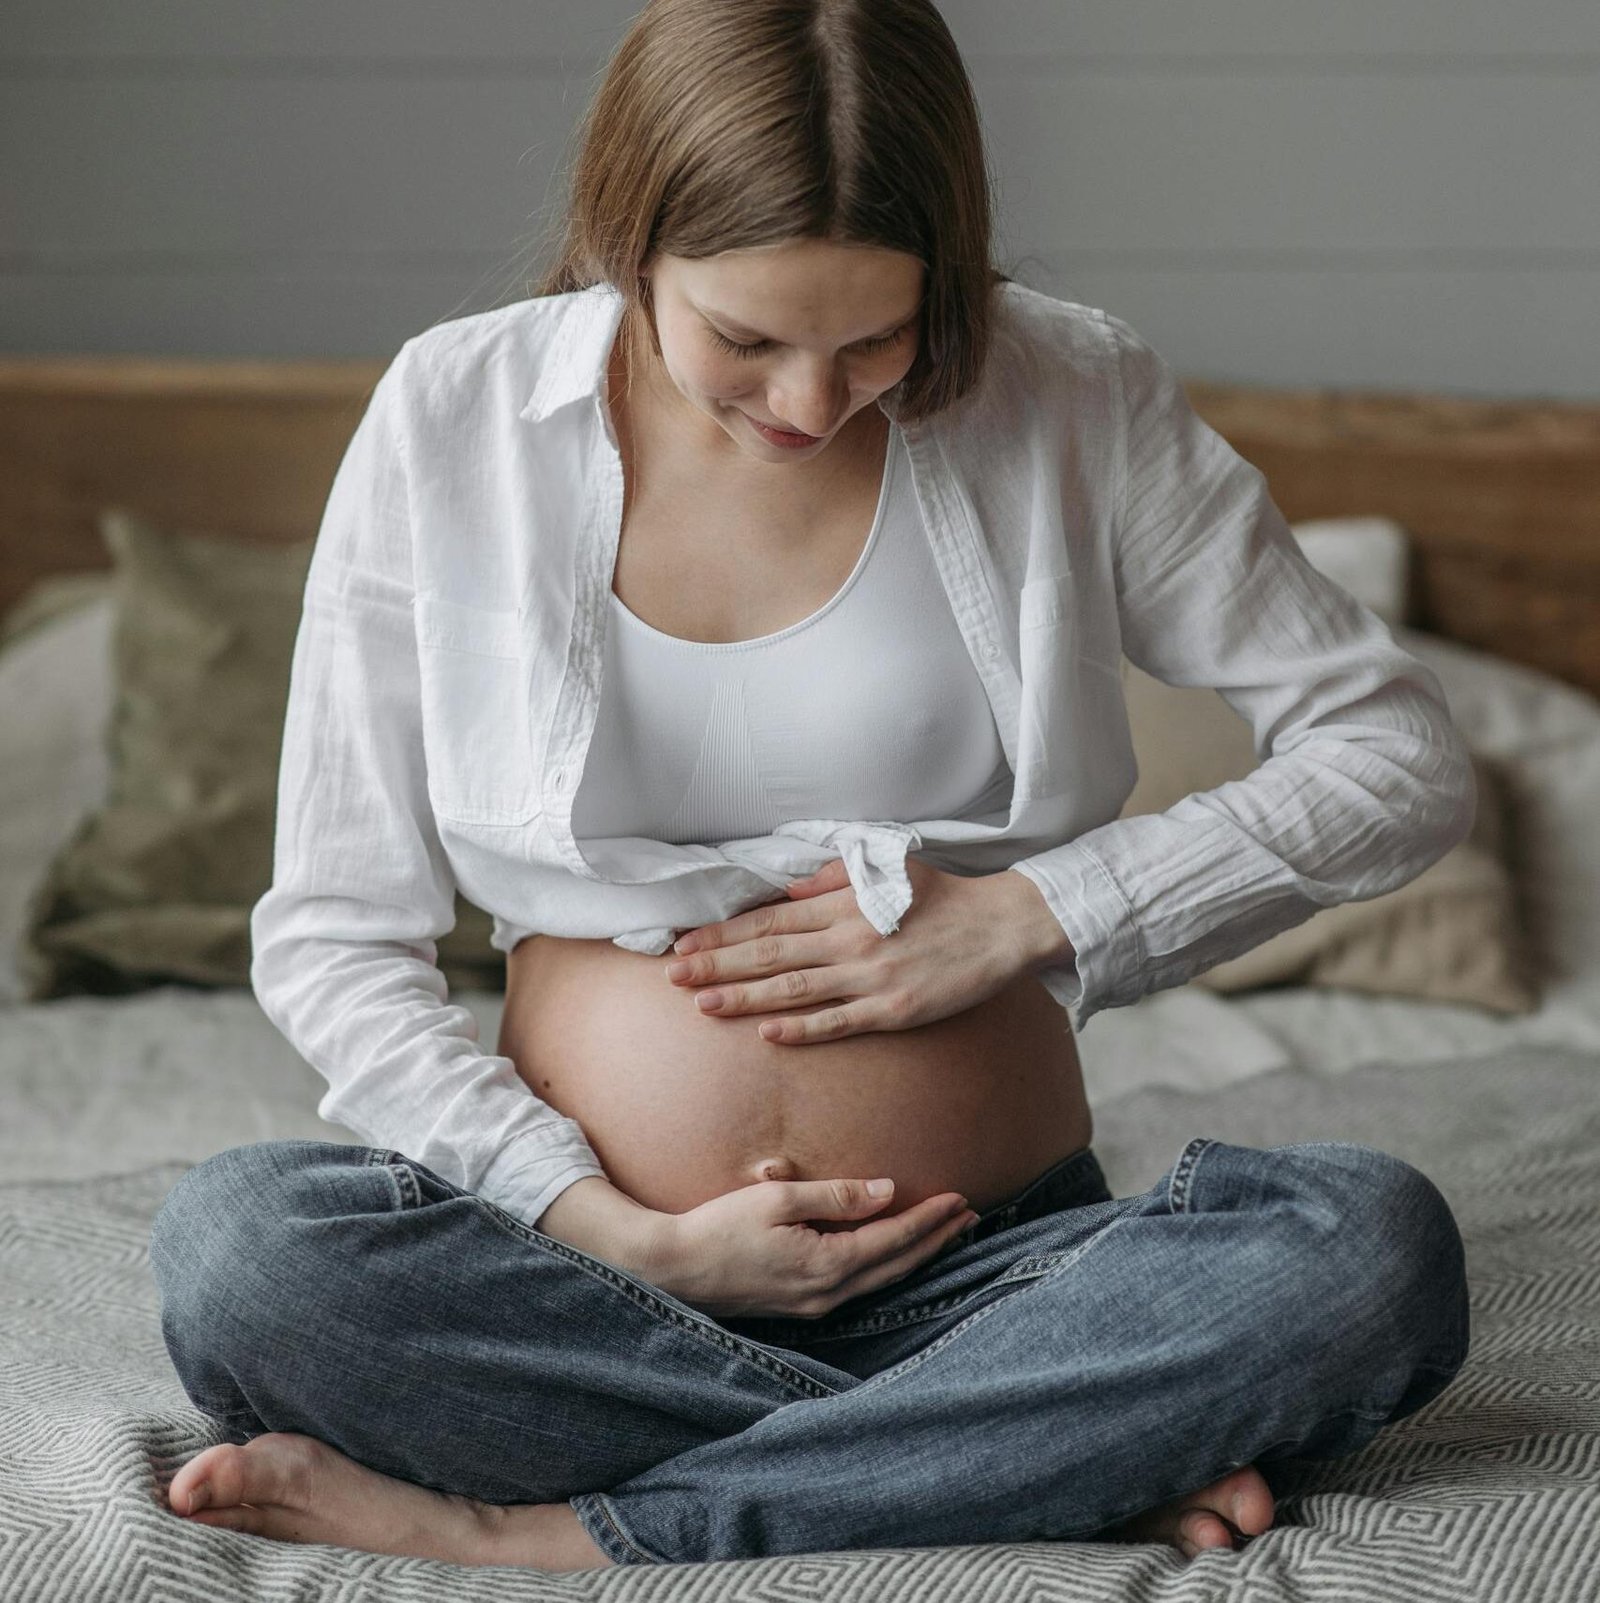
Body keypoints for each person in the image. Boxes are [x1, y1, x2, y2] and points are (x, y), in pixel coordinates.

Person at [147, 0, 1476, 1573]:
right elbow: (332, 935)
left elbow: (1395, 755)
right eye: (745, 340)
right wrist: (610, 1229)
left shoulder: (1073, 394)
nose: (804, 403)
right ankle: (1022, 1452)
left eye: (873, 342)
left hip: (1007, 1275)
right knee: (243, 1252)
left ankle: (567, 1529)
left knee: (1369, 1253)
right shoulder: (455, 417)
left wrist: (1028, 915)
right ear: (626, 238)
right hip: (587, 1280)